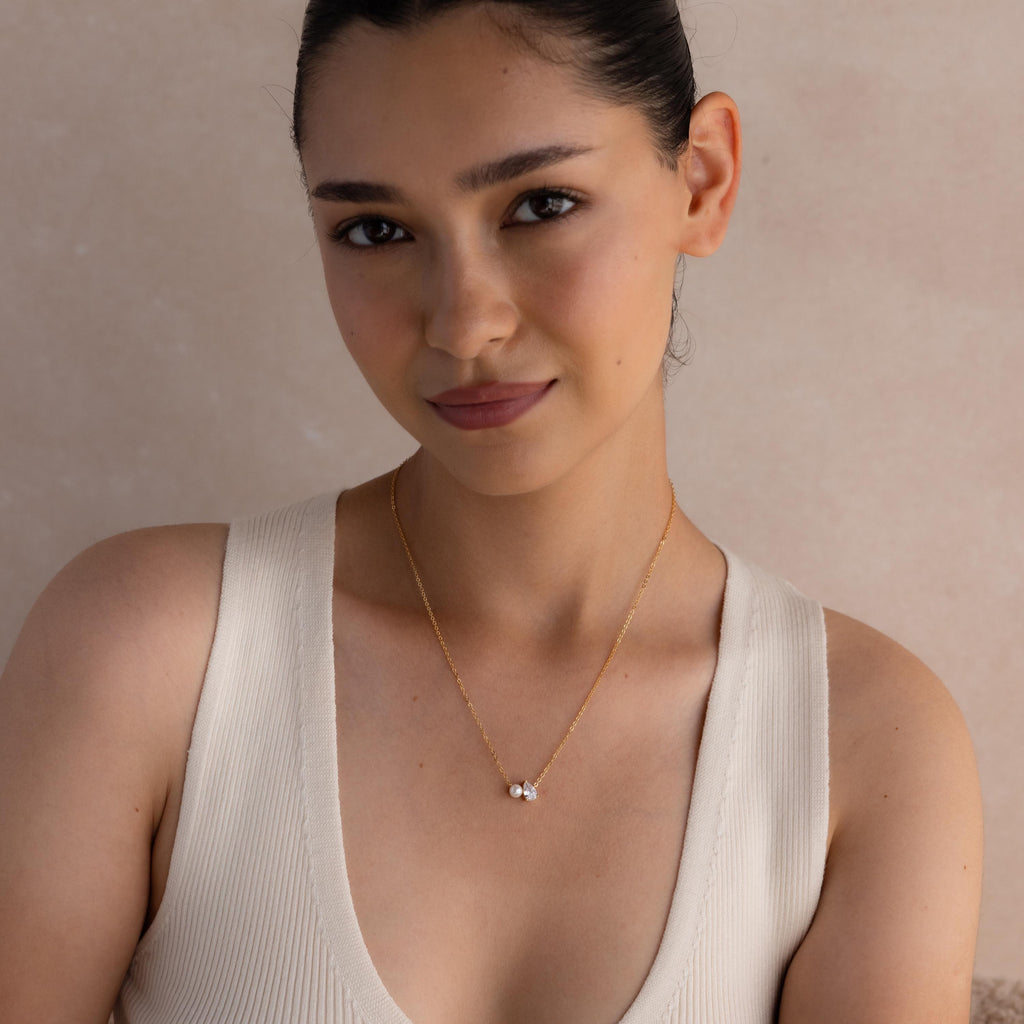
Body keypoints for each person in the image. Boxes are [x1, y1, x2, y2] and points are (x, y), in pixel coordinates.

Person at [0, 1, 983, 1021]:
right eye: (375, 230)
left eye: (540, 205)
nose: (465, 322)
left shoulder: (864, 747)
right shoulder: (151, 655)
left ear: (702, 179)